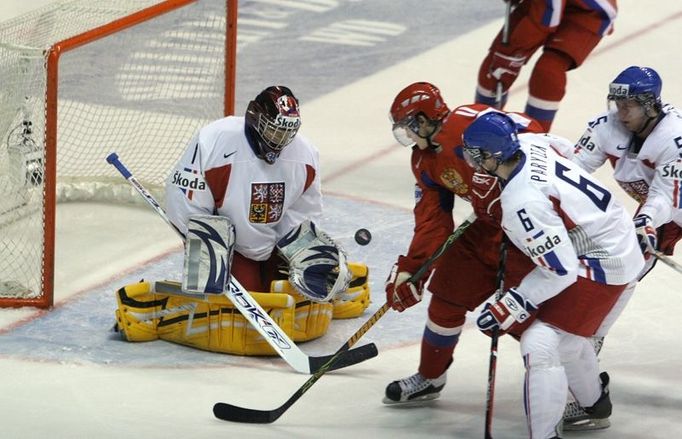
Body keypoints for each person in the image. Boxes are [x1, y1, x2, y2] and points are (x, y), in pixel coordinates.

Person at [112, 86, 370, 355]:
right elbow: (186, 202)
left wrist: (298, 252)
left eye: (287, 132)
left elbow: (304, 214)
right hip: (228, 242)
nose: (280, 140)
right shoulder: (214, 140)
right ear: (255, 118)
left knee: (304, 286)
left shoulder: (305, 155)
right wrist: (211, 251)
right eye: (274, 130)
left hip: (271, 241)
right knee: (245, 311)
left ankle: (324, 293)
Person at [461, 112, 644, 439]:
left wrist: (512, 305)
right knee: (568, 338)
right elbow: (565, 150)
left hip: (603, 258)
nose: (472, 164)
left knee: (541, 343)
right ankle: (594, 405)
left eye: (476, 156)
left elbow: (560, 270)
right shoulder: (530, 143)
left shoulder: (522, 202)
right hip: (615, 233)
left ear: (494, 156)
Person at [382, 82, 542, 404]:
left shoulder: (471, 122)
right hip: (484, 231)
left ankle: (574, 386)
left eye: (409, 128)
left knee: (525, 321)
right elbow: (432, 220)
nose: (408, 137)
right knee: (446, 299)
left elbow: (533, 130)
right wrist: (411, 269)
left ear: (424, 120)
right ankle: (430, 377)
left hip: (526, 231)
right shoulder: (424, 161)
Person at [561, 65, 682, 429]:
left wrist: (645, 219)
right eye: (617, 103)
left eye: (628, 105)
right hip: (659, 216)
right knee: (619, 274)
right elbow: (572, 171)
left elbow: (666, 197)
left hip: (670, 207)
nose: (620, 112)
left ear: (650, 105)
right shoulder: (606, 126)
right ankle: (588, 362)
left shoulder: (674, 138)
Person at [475, 0, 617, 131]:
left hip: (588, 11)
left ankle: (535, 136)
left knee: (548, 69)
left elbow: (547, 16)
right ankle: (477, 125)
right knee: (496, 61)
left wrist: (515, 53)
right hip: (542, 4)